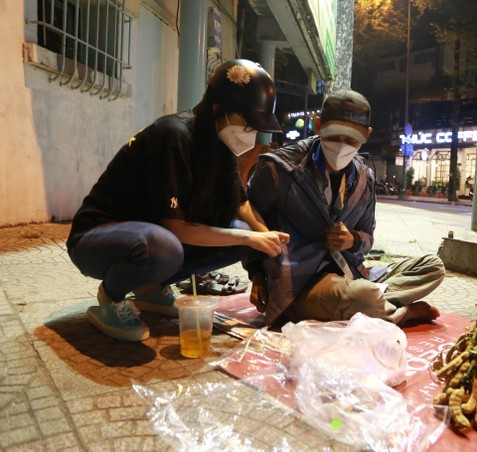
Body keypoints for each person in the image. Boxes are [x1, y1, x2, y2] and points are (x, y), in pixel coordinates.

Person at [66, 59, 290, 342]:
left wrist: (269, 239)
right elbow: (176, 229)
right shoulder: (174, 135)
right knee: (166, 245)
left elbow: (240, 204)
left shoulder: (220, 145)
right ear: (217, 107)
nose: (250, 134)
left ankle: (150, 289)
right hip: (97, 239)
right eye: (246, 123)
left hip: (149, 237)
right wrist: (248, 241)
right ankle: (111, 297)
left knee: (241, 233)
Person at [245, 89, 445, 327]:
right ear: (318, 126)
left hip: (350, 270)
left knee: (433, 266)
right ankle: (396, 311)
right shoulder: (279, 170)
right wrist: (257, 276)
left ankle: (374, 302)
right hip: (299, 281)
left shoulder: (365, 177)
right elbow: (250, 221)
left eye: (351, 140)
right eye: (334, 136)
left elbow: (368, 238)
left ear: (367, 135)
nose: (342, 146)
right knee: (366, 297)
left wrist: (352, 240)